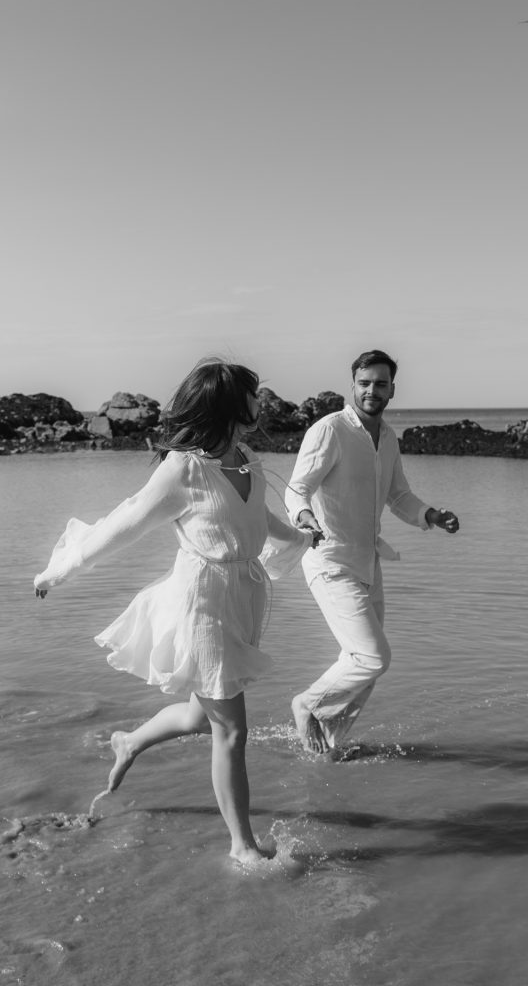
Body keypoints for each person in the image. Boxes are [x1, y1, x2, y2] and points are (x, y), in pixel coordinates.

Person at [34, 357, 317, 868]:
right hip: (203, 601)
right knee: (231, 728)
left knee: (201, 715)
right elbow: (124, 524)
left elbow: (260, 517)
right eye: (255, 394)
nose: (263, 401)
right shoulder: (184, 468)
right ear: (230, 403)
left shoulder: (246, 456)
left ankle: (129, 741)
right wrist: (59, 571)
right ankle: (242, 847)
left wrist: (299, 537)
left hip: (243, 594)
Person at [285, 348, 459, 755]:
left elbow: (398, 496)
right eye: (364, 383)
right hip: (329, 561)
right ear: (353, 386)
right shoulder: (330, 430)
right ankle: (307, 703)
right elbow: (297, 488)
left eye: (380, 384)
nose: (372, 391)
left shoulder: (388, 437)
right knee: (371, 657)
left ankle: (324, 749)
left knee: (366, 669)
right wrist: (304, 517)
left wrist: (430, 514)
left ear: (392, 389)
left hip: (368, 563)